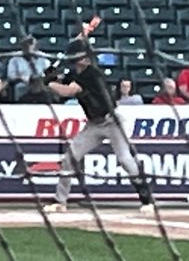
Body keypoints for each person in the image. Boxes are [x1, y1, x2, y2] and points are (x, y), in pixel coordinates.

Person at [41, 35, 154, 215]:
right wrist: (51, 75)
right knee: (69, 158)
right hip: (94, 125)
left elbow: (69, 91)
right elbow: (63, 80)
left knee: (125, 159)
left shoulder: (92, 74)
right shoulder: (75, 74)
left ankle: (147, 199)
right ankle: (60, 201)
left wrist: (50, 83)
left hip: (112, 121)